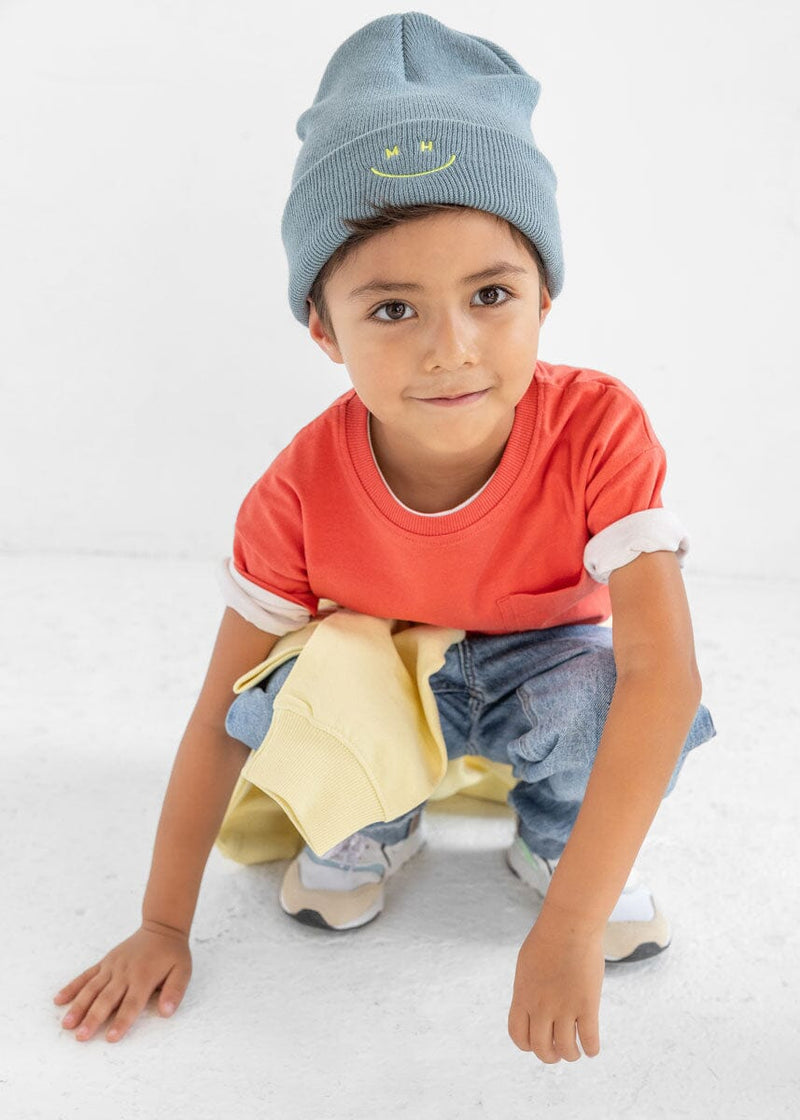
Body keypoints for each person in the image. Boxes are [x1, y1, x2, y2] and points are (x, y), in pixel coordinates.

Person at [53, 11, 716, 1063]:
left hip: (546, 665)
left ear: (544, 295)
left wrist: (571, 922)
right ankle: (373, 816)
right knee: (297, 681)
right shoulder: (298, 489)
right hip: (397, 680)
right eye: (393, 309)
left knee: (600, 694)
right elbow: (221, 716)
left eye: (490, 295)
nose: (452, 349)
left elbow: (662, 673)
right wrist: (164, 923)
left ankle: (558, 836)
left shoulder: (597, 427)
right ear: (324, 328)